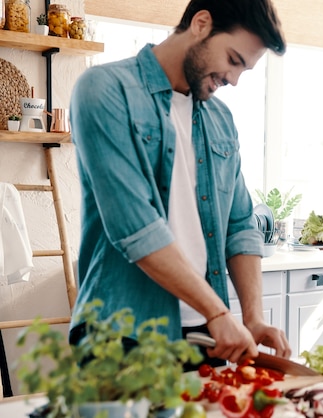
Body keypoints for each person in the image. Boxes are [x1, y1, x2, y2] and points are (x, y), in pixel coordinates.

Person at [68, 0, 291, 368]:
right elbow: (136, 227)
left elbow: (240, 225)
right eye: (234, 60)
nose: (234, 80)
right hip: (122, 336)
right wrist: (219, 313)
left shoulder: (220, 119)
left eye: (244, 70)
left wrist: (252, 317)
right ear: (202, 23)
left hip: (206, 337)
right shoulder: (104, 89)